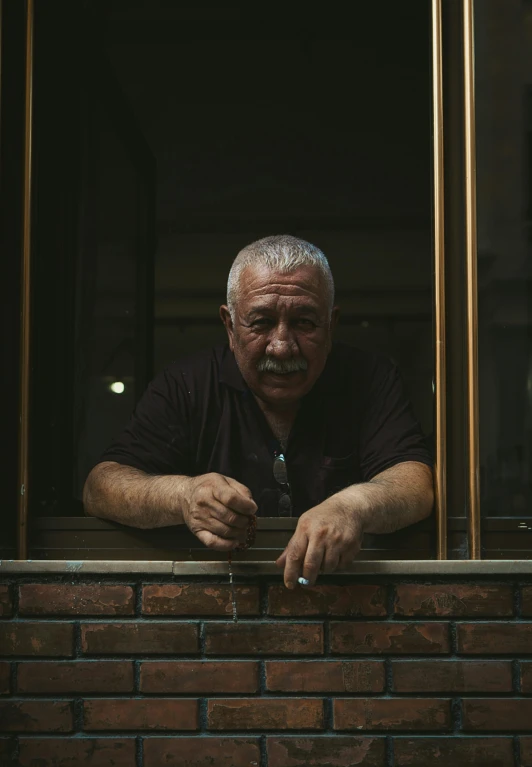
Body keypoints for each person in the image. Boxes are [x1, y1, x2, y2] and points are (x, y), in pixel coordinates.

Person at [83, 234, 434, 588]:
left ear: (331, 326)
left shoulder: (371, 378)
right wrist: (184, 496)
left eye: (304, 322)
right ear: (230, 326)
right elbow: (100, 487)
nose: (282, 347)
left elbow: (415, 485)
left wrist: (352, 507)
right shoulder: (186, 384)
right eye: (262, 323)